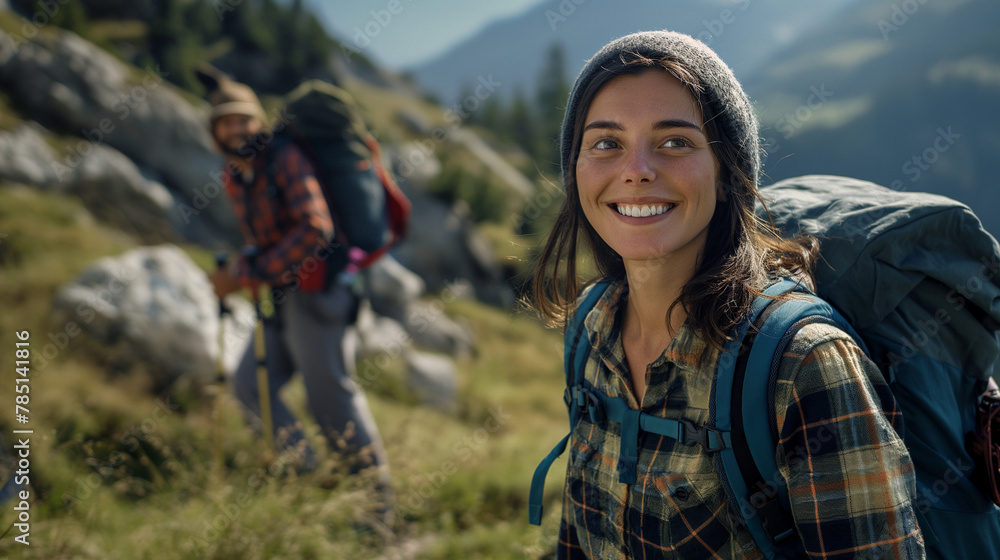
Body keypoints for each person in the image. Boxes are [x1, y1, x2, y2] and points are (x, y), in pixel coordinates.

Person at [531, 31, 925, 558]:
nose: (637, 169)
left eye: (675, 142)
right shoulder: (592, 325)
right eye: (606, 143)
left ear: (726, 175)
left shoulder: (803, 364)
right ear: (575, 170)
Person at [198, 68, 392, 515]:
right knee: (249, 385)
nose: (237, 129)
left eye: (244, 119)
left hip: (320, 294)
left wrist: (247, 272)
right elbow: (266, 236)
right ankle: (305, 477)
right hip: (282, 295)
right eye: (226, 122)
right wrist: (246, 268)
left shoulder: (283, 158)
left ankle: (377, 511)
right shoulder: (236, 173)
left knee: (330, 399)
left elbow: (315, 230)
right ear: (214, 131)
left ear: (258, 121)